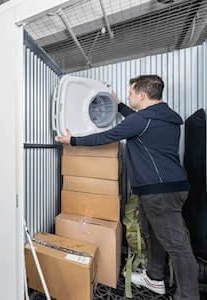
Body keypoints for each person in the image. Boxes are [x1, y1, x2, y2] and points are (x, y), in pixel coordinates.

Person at [56, 75, 199, 300]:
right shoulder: (165, 117)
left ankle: (188, 296)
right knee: (154, 234)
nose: (129, 96)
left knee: (178, 246)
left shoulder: (142, 121)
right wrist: (120, 105)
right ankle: (155, 278)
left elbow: (107, 136)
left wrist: (73, 140)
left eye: (131, 93)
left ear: (142, 95)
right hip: (169, 187)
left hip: (159, 191)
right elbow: (138, 120)